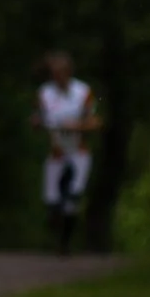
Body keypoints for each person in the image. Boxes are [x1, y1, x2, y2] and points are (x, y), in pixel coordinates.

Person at [31, 51, 99, 254]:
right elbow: (39, 119)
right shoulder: (45, 93)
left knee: (73, 197)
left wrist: (76, 126)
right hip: (57, 152)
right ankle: (54, 231)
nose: (56, 77)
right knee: (52, 200)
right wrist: (36, 123)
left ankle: (65, 245)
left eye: (60, 72)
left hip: (78, 150)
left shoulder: (82, 92)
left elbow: (94, 122)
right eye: (53, 73)